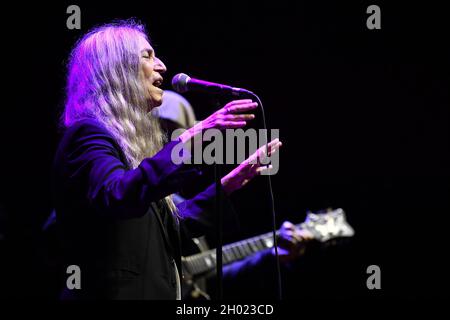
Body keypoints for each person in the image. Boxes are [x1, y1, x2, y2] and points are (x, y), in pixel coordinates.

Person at [53, 20, 281, 300]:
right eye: (147, 56)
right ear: (115, 69)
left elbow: (175, 231)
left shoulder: (131, 149)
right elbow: (117, 196)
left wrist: (228, 185)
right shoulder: (87, 135)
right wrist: (192, 136)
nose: (161, 65)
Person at [156, 91, 314, 299]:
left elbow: (211, 277)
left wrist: (270, 256)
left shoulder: (181, 207)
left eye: (179, 135)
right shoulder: (141, 202)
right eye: (168, 134)